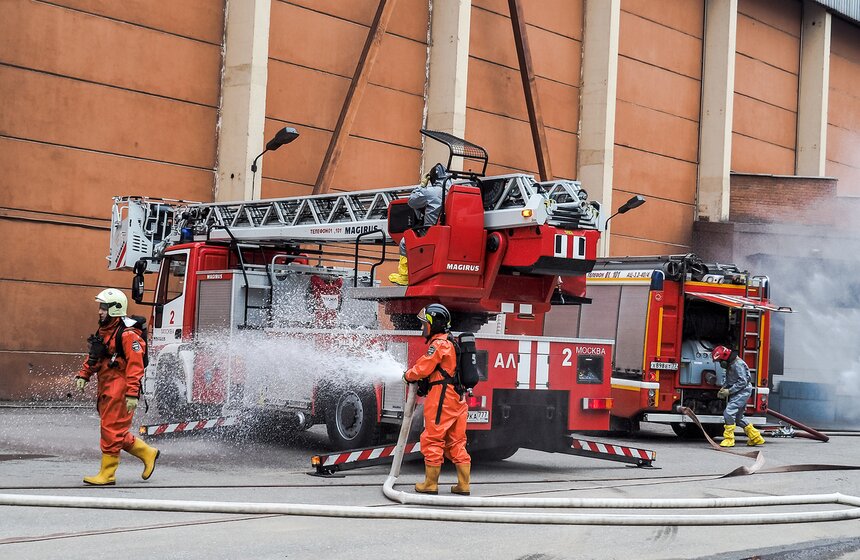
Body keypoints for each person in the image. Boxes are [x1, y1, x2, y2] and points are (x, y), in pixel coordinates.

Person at [75, 288, 160, 485]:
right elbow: (96, 355)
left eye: (104, 308)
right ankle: (148, 453)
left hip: (120, 389)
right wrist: (84, 374)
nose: (100, 311)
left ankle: (108, 474)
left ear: (115, 309)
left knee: (110, 430)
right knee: (113, 430)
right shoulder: (105, 330)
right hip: (107, 388)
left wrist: (132, 393)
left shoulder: (128, 335)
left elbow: (135, 366)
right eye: (100, 307)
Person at [403, 303, 471, 495]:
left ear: (436, 324)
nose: (422, 327)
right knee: (457, 442)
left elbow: (423, 368)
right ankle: (464, 485)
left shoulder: (439, 344)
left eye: (425, 323)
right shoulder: (452, 342)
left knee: (432, 438)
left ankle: (431, 484)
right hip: (457, 398)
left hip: (442, 397)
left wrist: (408, 375)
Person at [388, 163, 452, 286]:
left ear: (433, 178)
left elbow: (412, 201)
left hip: (430, 231)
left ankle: (405, 276)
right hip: (452, 233)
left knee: (405, 241)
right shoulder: (457, 191)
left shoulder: (430, 192)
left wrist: (423, 184)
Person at [713, 345, 765, 447]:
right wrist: (724, 388)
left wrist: (729, 391)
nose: (720, 364)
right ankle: (756, 437)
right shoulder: (731, 365)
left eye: (720, 361)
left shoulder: (738, 364)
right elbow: (730, 380)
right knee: (738, 418)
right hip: (738, 392)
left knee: (728, 413)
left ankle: (729, 439)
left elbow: (742, 382)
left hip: (743, 391)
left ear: (725, 358)